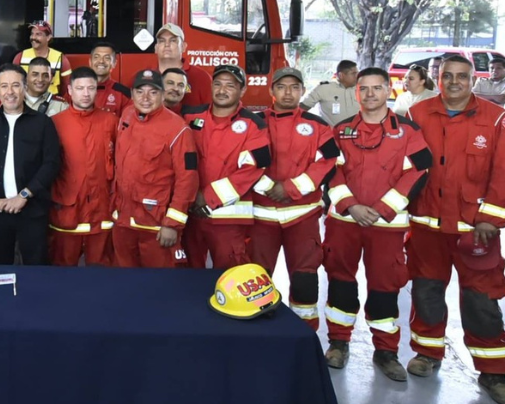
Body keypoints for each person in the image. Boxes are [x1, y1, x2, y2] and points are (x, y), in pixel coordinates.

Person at [405, 54, 505, 404]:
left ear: (473, 80)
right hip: (427, 223)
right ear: (438, 79)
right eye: (447, 76)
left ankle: (493, 370)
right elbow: (405, 166)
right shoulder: (417, 114)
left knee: (481, 297)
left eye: (462, 76)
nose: (454, 82)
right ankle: (427, 352)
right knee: (426, 289)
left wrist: (491, 218)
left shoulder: (497, 119)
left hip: (476, 228)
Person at [322, 68, 433, 380]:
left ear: (388, 91)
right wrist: (350, 205)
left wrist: (383, 208)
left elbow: (419, 171)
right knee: (340, 280)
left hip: (387, 225)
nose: (370, 94)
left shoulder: (408, 131)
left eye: (376, 88)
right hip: (344, 221)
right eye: (364, 88)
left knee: (385, 286)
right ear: (356, 92)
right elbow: (331, 170)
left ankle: (386, 350)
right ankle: (338, 343)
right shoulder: (341, 130)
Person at [250, 67, 339, 329]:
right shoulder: (255, 122)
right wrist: (269, 187)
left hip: (303, 215)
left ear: (302, 91)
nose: (288, 92)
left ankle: (304, 333)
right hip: (261, 215)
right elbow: (242, 159)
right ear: (271, 91)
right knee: (257, 277)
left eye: (294, 87)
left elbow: (328, 162)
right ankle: (257, 331)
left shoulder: (318, 125)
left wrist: (289, 188)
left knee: (305, 277)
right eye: (281, 87)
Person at [0, 65, 62, 264]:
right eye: (4, 86)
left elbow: (51, 163)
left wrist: (24, 195)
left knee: (35, 266)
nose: (9, 92)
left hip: (32, 209)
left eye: (15, 85)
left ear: (25, 88)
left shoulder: (42, 123)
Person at [184, 66, 272, 268]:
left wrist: (207, 197)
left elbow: (252, 169)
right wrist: (189, 196)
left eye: (230, 86)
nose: (222, 90)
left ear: (242, 91)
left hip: (229, 221)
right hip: (190, 216)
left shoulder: (255, 125)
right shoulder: (190, 117)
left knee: (229, 276)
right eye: (217, 84)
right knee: (186, 275)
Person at [112, 70, 198, 268]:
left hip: (156, 226)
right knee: (123, 280)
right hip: (123, 223)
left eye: (153, 92)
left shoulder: (179, 129)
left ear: (162, 94)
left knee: (159, 282)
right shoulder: (126, 115)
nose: (145, 98)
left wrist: (172, 224)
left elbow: (188, 180)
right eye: (140, 91)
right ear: (132, 94)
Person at [48, 67, 118, 266]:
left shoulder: (111, 121)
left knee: (101, 271)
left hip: (102, 211)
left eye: (91, 88)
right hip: (66, 210)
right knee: (63, 270)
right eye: (80, 88)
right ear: (70, 90)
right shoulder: (55, 123)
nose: (86, 94)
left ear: (97, 90)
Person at [154, 24, 212, 108]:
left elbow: (212, 110)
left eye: (173, 40)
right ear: (156, 48)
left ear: (183, 47)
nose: (167, 44)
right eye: (162, 41)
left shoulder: (202, 77)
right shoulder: (147, 76)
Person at [17, 21, 71, 96]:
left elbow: (67, 87)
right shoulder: (20, 56)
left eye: (38, 34)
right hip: (26, 99)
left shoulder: (60, 58)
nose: (33, 37)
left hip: (52, 100)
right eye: (32, 34)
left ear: (48, 37)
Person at [302, 60, 361, 126]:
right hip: (331, 131)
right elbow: (302, 108)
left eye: (357, 73)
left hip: (359, 131)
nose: (357, 76)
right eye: (353, 73)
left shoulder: (362, 89)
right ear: (341, 75)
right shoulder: (324, 89)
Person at [88, 42, 130, 115]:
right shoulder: (75, 91)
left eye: (107, 58)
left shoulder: (123, 95)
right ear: (90, 62)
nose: (101, 61)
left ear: (114, 63)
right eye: (96, 57)